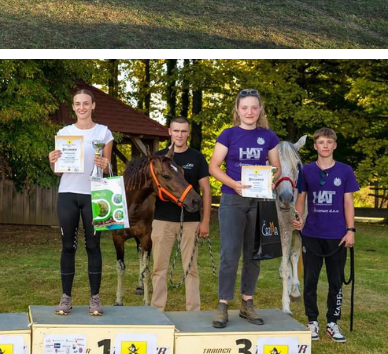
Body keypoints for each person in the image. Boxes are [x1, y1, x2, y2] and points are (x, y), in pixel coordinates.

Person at [208, 88, 282, 328]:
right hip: (233, 199)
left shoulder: (268, 136)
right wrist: (233, 183)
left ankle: (247, 302)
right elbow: (214, 167)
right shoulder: (228, 134)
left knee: (254, 253)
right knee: (229, 253)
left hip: (259, 200)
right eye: (244, 107)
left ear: (260, 110)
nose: (249, 111)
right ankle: (223, 305)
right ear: (237, 110)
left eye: (254, 107)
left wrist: (271, 179)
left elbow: (277, 168)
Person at [47, 88, 113, 316]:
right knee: (68, 247)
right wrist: (52, 161)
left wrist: (106, 165)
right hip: (68, 193)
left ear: (93, 105)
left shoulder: (104, 133)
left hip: (95, 194)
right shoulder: (64, 133)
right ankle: (66, 297)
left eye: (86, 103)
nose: (82, 107)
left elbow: (109, 167)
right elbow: (58, 171)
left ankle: (95, 298)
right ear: (73, 107)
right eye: (77, 104)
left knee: (93, 247)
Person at [292, 127, 355, 343]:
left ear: (334, 145)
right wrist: (298, 216)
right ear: (316, 146)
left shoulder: (345, 171)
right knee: (310, 280)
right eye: (321, 142)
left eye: (329, 142)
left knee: (335, 281)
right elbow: (301, 198)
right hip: (311, 234)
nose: (325, 145)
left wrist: (350, 230)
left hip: (337, 236)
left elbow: (348, 202)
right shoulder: (306, 170)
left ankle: (332, 322)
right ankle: (312, 321)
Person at [150, 117, 212, 312]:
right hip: (162, 220)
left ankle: (193, 311)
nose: (179, 135)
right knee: (159, 268)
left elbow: (206, 190)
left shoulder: (197, 157)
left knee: (191, 269)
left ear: (188, 133)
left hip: (191, 222)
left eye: (183, 131)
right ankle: (157, 310)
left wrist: (206, 221)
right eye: (176, 131)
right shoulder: (158, 158)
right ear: (169, 131)